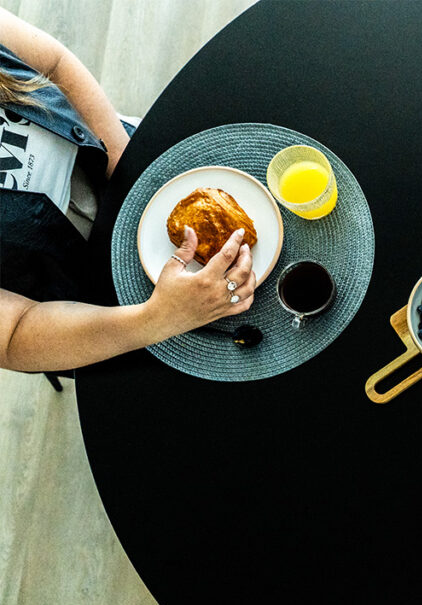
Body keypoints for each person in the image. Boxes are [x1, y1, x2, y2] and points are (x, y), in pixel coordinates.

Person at [0, 8, 254, 372]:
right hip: (92, 312)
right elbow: (12, 336)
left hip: (119, 153)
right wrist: (157, 318)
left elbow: (53, 64)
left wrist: (131, 174)